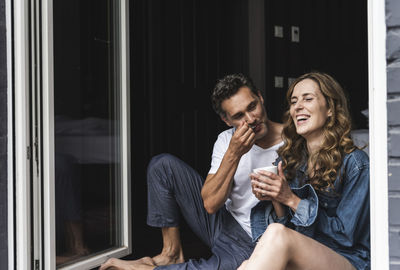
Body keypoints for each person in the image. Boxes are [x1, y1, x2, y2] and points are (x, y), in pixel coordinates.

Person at [100, 73, 283, 270]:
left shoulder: (293, 141)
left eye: (252, 106)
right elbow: (211, 204)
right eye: (239, 116)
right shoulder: (226, 140)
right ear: (226, 120)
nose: (251, 118)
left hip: (251, 242)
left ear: (260, 97)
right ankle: (171, 253)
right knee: (163, 166)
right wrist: (234, 153)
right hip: (222, 222)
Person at [238, 72, 370, 270]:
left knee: (274, 234)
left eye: (308, 98)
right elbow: (288, 230)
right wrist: (276, 196)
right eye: (293, 101)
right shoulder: (292, 161)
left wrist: (291, 199)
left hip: (347, 259)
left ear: (330, 109)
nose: (297, 106)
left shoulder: (355, 163)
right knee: (247, 264)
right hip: (306, 255)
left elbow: (346, 236)